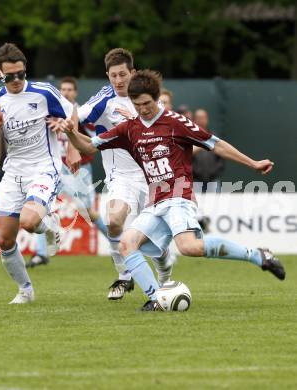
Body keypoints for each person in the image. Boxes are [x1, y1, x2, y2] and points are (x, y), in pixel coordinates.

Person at [61, 69, 286, 311]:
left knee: (189, 247)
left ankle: (257, 255)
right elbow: (89, 146)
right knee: (126, 244)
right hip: (155, 201)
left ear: (156, 98)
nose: (143, 109)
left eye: (147, 103)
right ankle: (157, 298)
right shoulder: (129, 128)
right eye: (137, 105)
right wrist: (71, 133)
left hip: (179, 196)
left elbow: (215, 144)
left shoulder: (176, 122)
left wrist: (252, 163)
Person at [75, 49, 175, 300]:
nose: (118, 81)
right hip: (121, 177)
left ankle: (164, 276)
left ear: (132, 72)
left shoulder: (148, 99)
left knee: (154, 243)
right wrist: (70, 145)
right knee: (114, 220)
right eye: (113, 76)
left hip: (152, 177)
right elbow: (75, 118)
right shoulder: (105, 99)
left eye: (122, 74)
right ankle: (124, 276)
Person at [0, 43, 73, 303]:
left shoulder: (43, 93)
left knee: (29, 222)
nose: (17, 80)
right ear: (0, 74)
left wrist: (65, 126)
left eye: (21, 73)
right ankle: (25, 290)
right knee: (4, 239)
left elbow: (72, 114)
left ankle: (51, 225)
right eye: (10, 76)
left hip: (44, 166)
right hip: (14, 171)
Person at [27, 76, 108, 268]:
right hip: (54, 168)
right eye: (63, 89)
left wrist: (72, 133)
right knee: (42, 205)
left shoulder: (83, 115)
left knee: (87, 212)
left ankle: (116, 241)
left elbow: (96, 140)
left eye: (70, 89)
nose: (66, 92)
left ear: (76, 92)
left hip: (78, 169)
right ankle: (41, 253)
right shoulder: (51, 113)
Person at [192, 108, 224, 193]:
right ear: (194, 120)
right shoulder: (190, 138)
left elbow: (221, 157)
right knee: (196, 205)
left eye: (203, 118)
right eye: (198, 118)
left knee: (215, 205)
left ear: (207, 119)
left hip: (213, 180)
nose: (200, 120)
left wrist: (215, 171)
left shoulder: (214, 137)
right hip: (196, 181)